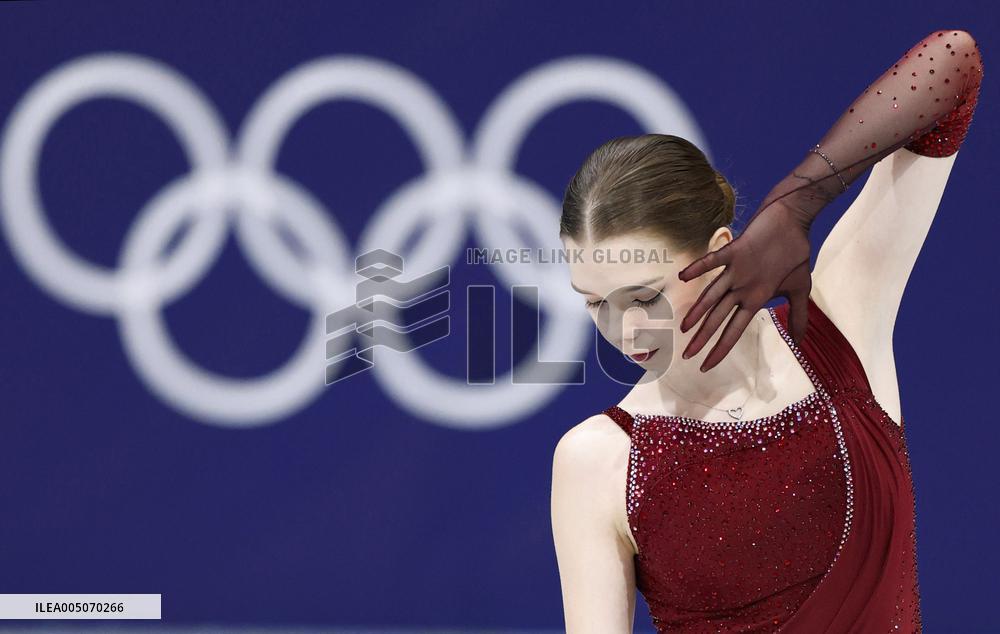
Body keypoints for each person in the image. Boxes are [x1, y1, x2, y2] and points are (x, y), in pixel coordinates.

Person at [550, 29, 983, 633]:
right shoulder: (599, 458)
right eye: (595, 303)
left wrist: (794, 204)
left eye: (644, 294)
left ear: (723, 250)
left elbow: (954, 61)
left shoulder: (838, 328)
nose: (623, 330)